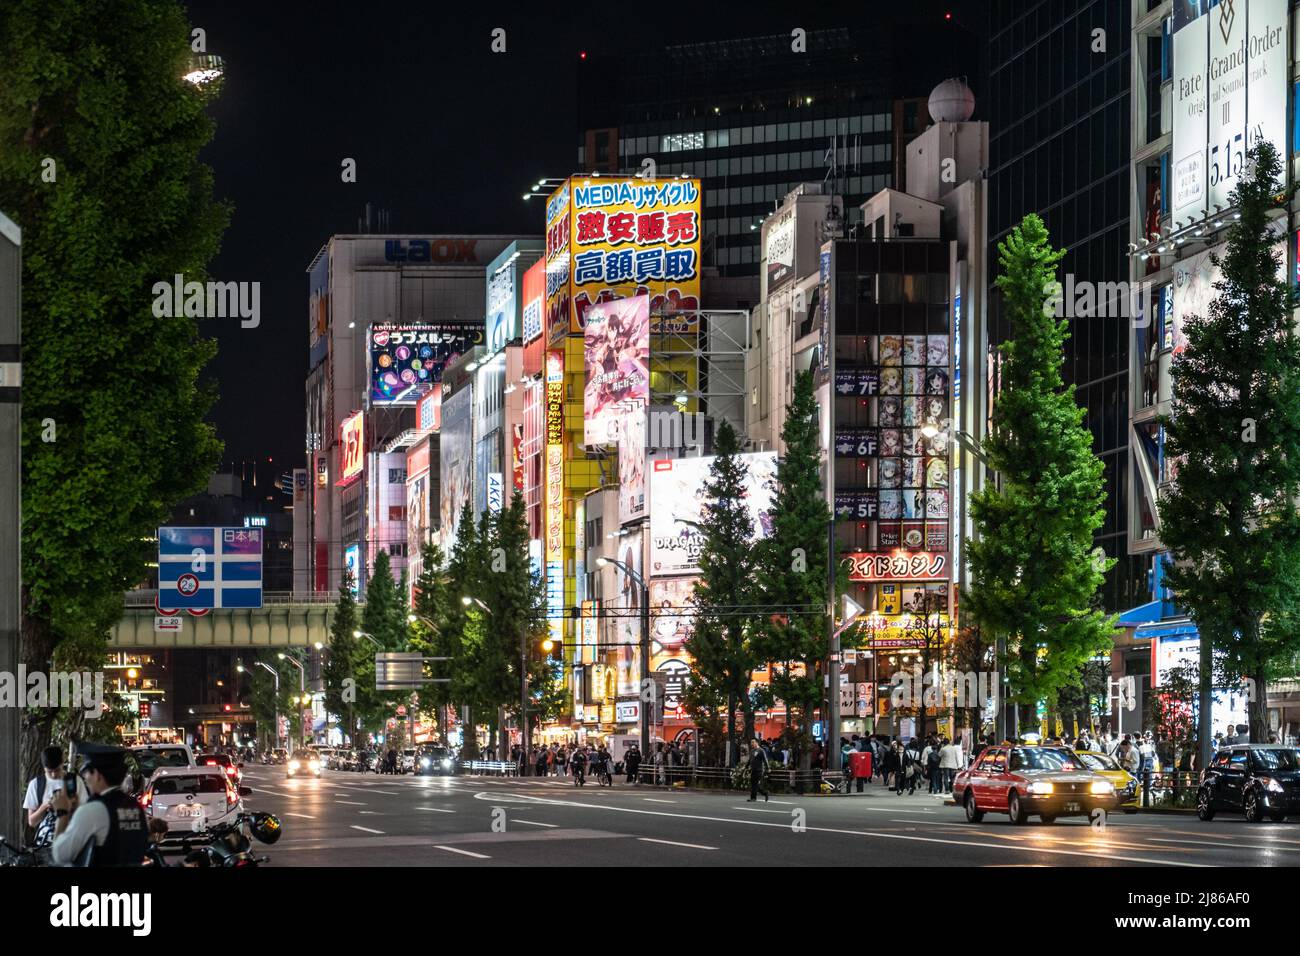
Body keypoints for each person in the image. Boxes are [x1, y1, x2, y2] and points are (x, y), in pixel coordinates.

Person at [48, 741, 149, 866]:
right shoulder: (137, 807)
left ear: (96, 775)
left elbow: (60, 855)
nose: (85, 777)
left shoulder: (93, 810)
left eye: (85, 772)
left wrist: (62, 813)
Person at [23, 745, 90, 846]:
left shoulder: (75, 781)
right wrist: (44, 807)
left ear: (62, 763)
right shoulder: (36, 784)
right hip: (44, 842)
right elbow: (32, 822)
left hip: (72, 839)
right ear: (44, 768)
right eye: (49, 772)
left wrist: (69, 805)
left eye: (57, 770)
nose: (54, 775)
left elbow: (85, 816)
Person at [746, 738, 769, 803]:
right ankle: (757, 796)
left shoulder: (761, 750)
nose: (751, 744)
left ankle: (758, 796)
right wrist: (746, 767)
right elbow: (750, 760)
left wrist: (768, 768)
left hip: (759, 770)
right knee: (753, 784)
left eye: (753, 742)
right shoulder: (752, 751)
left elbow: (765, 760)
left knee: (756, 784)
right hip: (753, 770)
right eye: (751, 743)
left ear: (757, 743)